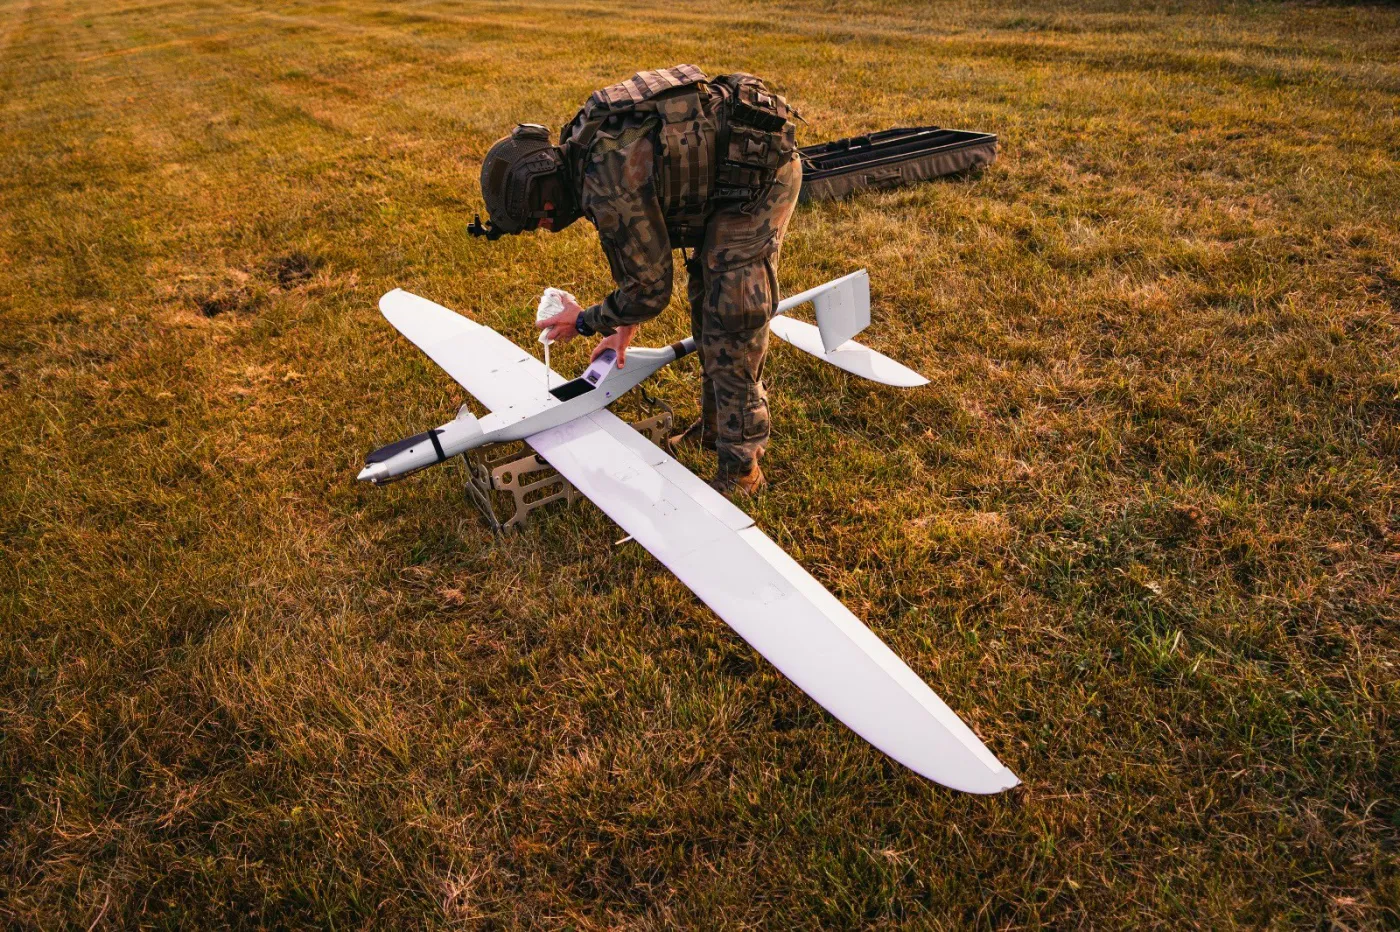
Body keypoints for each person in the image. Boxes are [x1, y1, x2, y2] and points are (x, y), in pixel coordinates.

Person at [469, 65, 801, 495]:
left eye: (539, 220)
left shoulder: (606, 182)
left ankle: (741, 469)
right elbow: (639, 264)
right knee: (706, 301)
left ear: (544, 199)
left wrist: (585, 321)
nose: (548, 227)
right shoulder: (580, 152)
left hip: (758, 182)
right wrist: (622, 332)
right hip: (723, 179)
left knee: (731, 319)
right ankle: (716, 429)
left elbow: (649, 290)